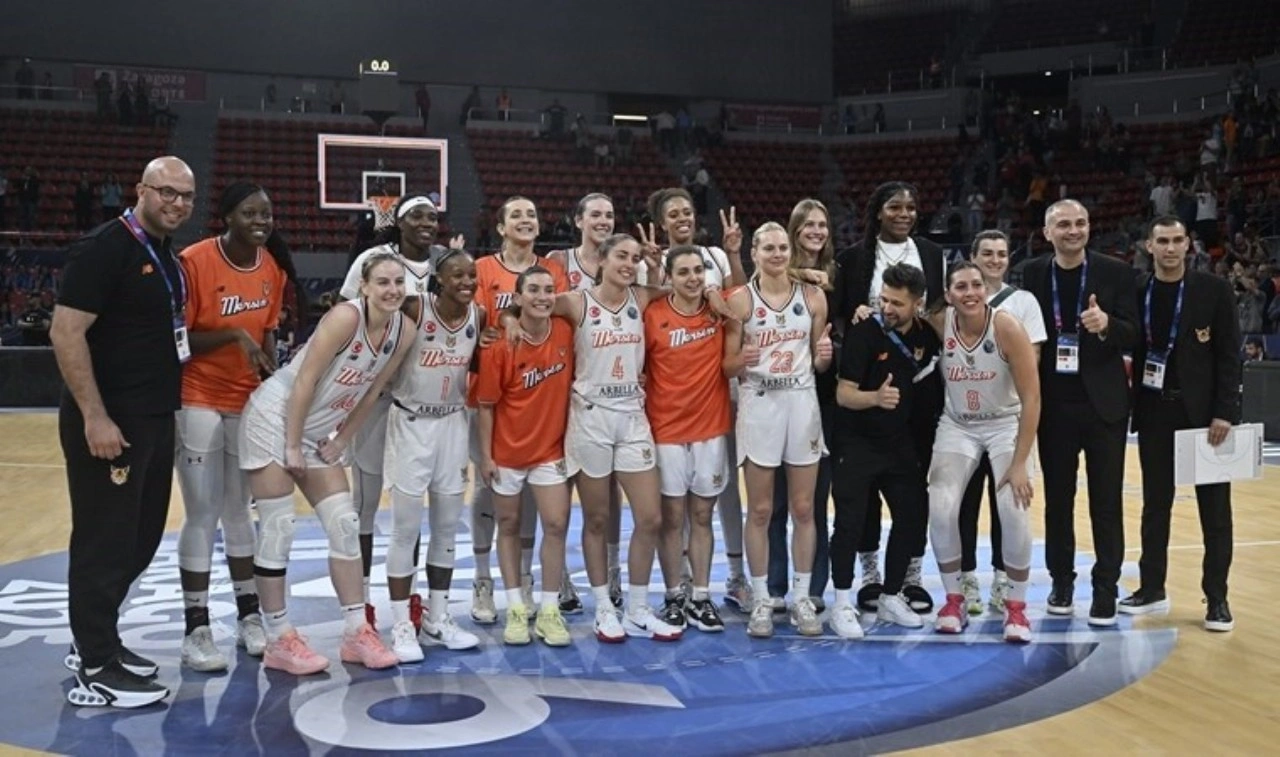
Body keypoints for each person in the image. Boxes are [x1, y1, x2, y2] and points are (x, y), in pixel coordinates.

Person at [52, 156, 196, 708]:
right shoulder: (105, 248)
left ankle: (98, 639)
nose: (177, 203)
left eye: (186, 195)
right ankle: (95, 667)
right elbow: (66, 333)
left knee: (140, 538)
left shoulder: (164, 253)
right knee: (104, 542)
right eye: (166, 192)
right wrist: (94, 416)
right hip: (109, 423)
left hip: (153, 418)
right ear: (141, 190)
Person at [239, 252, 414, 674]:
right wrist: (292, 445)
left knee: (345, 524)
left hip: (318, 429)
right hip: (275, 417)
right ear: (364, 287)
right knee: (278, 527)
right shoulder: (344, 318)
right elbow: (305, 380)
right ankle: (278, 637)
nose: (392, 290)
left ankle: (356, 632)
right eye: (383, 282)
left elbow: (372, 390)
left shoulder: (403, 330)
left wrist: (342, 439)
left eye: (398, 282)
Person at [522, 233, 681, 642]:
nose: (628, 263)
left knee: (650, 517)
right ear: (602, 261)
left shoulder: (641, 297)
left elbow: (682, 290)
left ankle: (638, 608)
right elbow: (528, 304)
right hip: (590, 418)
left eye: (634, 257)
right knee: (596, 518)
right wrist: (506, 321)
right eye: (621, 256)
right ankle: (604, 608)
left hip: (632, 417)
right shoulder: (577, 302)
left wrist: (658, 268)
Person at [173, 182, 298, 672]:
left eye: (266, 213)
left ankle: (249, 616)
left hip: (246, 401)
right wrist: (230, 335)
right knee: (203, 512)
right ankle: (197, 628)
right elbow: (177, 338)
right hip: (198, 396)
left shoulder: (271, 269)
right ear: (227, 216)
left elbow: (265, 337)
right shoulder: (194, 261)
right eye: (250, 213)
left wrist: (273, 385)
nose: (261, 221)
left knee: (239, 513)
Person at [340, 194, 462, 628]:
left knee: (411, 511)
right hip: (378, 398)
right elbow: (347, 317)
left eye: (432, 216)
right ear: (399, 221)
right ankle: (361, 601)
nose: (427, 222)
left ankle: (409, 598)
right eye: (417, 216)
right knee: (366, 504)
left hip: (424, 402)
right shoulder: (373, 260)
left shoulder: (445, 263)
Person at [1122, 216, 1241, 632]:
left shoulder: (1214, 290)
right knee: (1156, 506)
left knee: (1216, 512)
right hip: (1155, 411)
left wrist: (1225, 411)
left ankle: (1217, 598)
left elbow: (1230, 355)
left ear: (1189, 245)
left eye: (1177, 240)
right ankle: (1152, 587)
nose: (1170, 248)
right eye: (1162, 241)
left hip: (1206, 419)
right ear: (1149, 246)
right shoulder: (1137, 290)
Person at [1022, 199, 1138, 625]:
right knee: (1058, 502)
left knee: (1106, 503)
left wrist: (1107, 325)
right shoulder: (1032, 273)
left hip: (1104, 406)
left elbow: (1134, 333)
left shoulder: (1116, 272)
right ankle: (1061, 583)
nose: (1073, 231)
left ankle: (1106, 589)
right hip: (1054, 406)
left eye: (1080, 223)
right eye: (1064, 225)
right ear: (1047, 232)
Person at [834, 181, 945, 615]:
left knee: (913, 495)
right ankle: (869, 576)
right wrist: (857, 317)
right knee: (860, 499)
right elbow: (841, 313)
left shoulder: (931, 254)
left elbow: (940, 312)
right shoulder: (854, 258)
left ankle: (908, 578)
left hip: (917, 391)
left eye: (911, 207)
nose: (904, 213)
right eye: (895, 206)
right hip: (868, 379)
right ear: (878, 211)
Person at [723, 222, 832, 639]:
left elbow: (819, 361)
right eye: (768, 248)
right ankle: (763, 599)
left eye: (782, 247)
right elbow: (727, 366)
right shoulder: (740, 301)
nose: (777, 254)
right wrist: (743, 360)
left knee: (804, 509)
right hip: (760, 403)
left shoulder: (813, 296)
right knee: (761, 510)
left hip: (801, 402)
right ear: (754, 252)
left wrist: (824, 356)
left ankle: (802, 597)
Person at [645, 188, 750, 611]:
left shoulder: (717, 257)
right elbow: (647, 307)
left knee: (721, 492)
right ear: (661, 222)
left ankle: (734, 575)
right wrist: (654, 271)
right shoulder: (653, 269)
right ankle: (682, 582)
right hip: (670, 404)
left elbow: (740, 300)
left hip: (718, 388)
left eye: (687, 211)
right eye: (673, 214)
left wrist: (733, 259)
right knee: (674, 509)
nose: (682, 218)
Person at [925, 261, 1040, 642]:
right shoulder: (940, 322)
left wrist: (1020, 462)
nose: (971, 292)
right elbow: (901, 309)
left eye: (976, 285)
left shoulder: (1007, 327)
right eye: (961, 287)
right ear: (948, 294)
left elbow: (1032, 397)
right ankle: (953, 600)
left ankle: (1016, 607)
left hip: (1006, 423)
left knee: (1013, 508)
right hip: (958, 423)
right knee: (941, 505)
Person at [468, 197, 569, 624]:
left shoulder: (552, 270)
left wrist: (510, 315)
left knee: (533, 500)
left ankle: (526, 581)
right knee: (488, 490)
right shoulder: (482, 269)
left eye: (532, 213)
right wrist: (503, 322)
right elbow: (473, 322)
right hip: (491, 391)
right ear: (501, 226)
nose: (526, 220)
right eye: (516, 215)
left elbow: (561, 313)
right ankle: (483, 579)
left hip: (541, 392)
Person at [383, 250, 487, 661]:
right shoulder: (414, 307)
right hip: (411, 423)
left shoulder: (479, 316)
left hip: (453, 423)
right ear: (439, 279)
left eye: (472, 275)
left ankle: (437, 617)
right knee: (405, 530)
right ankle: (401, 624)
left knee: (446, 527)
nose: (467, 282)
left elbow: (480, 360)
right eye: (457, 275)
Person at [956, 230, 1047, 615]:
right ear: (973, 257)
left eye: (1001, 254)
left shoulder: (1023, 302)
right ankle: (965, 578)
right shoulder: (957, 298)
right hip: (963, 416)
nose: (995, 260)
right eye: (987, 253)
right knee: (964, 502)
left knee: (1006, 503)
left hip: (1007, 418)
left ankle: (1002, 577)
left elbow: (1032, 358)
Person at [646, 246, 734, 633]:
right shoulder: (653, 314)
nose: (693, 278)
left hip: (710, 428)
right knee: (671, 519)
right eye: (683, 272)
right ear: (669, 277)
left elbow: (755, 289)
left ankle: (700, 595)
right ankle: (673, 596)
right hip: (665, 430)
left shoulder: (719, 311)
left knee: (701, 516)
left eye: (699, 270)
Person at [546, 193, 623, 612]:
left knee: (608, 488)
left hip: (607, 383)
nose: (603, 220)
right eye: (595, 214)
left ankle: (612, 570)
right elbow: (538, 304)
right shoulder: (558, 261)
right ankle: (559, 577)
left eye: (609, 215)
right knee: (558, 483)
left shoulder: (627, 263)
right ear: (578, 221)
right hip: (561, 381)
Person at [766, 199, 836, 612]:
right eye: (808, 224)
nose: (816, 231)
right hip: (776, 397)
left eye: (822, 224)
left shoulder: (837, 273)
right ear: (793, 230)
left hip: (823, 397)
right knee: (774, 504)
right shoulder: (777, 270)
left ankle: (812, 588)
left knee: (811, 505)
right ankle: (775, 587)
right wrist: (800, 273)